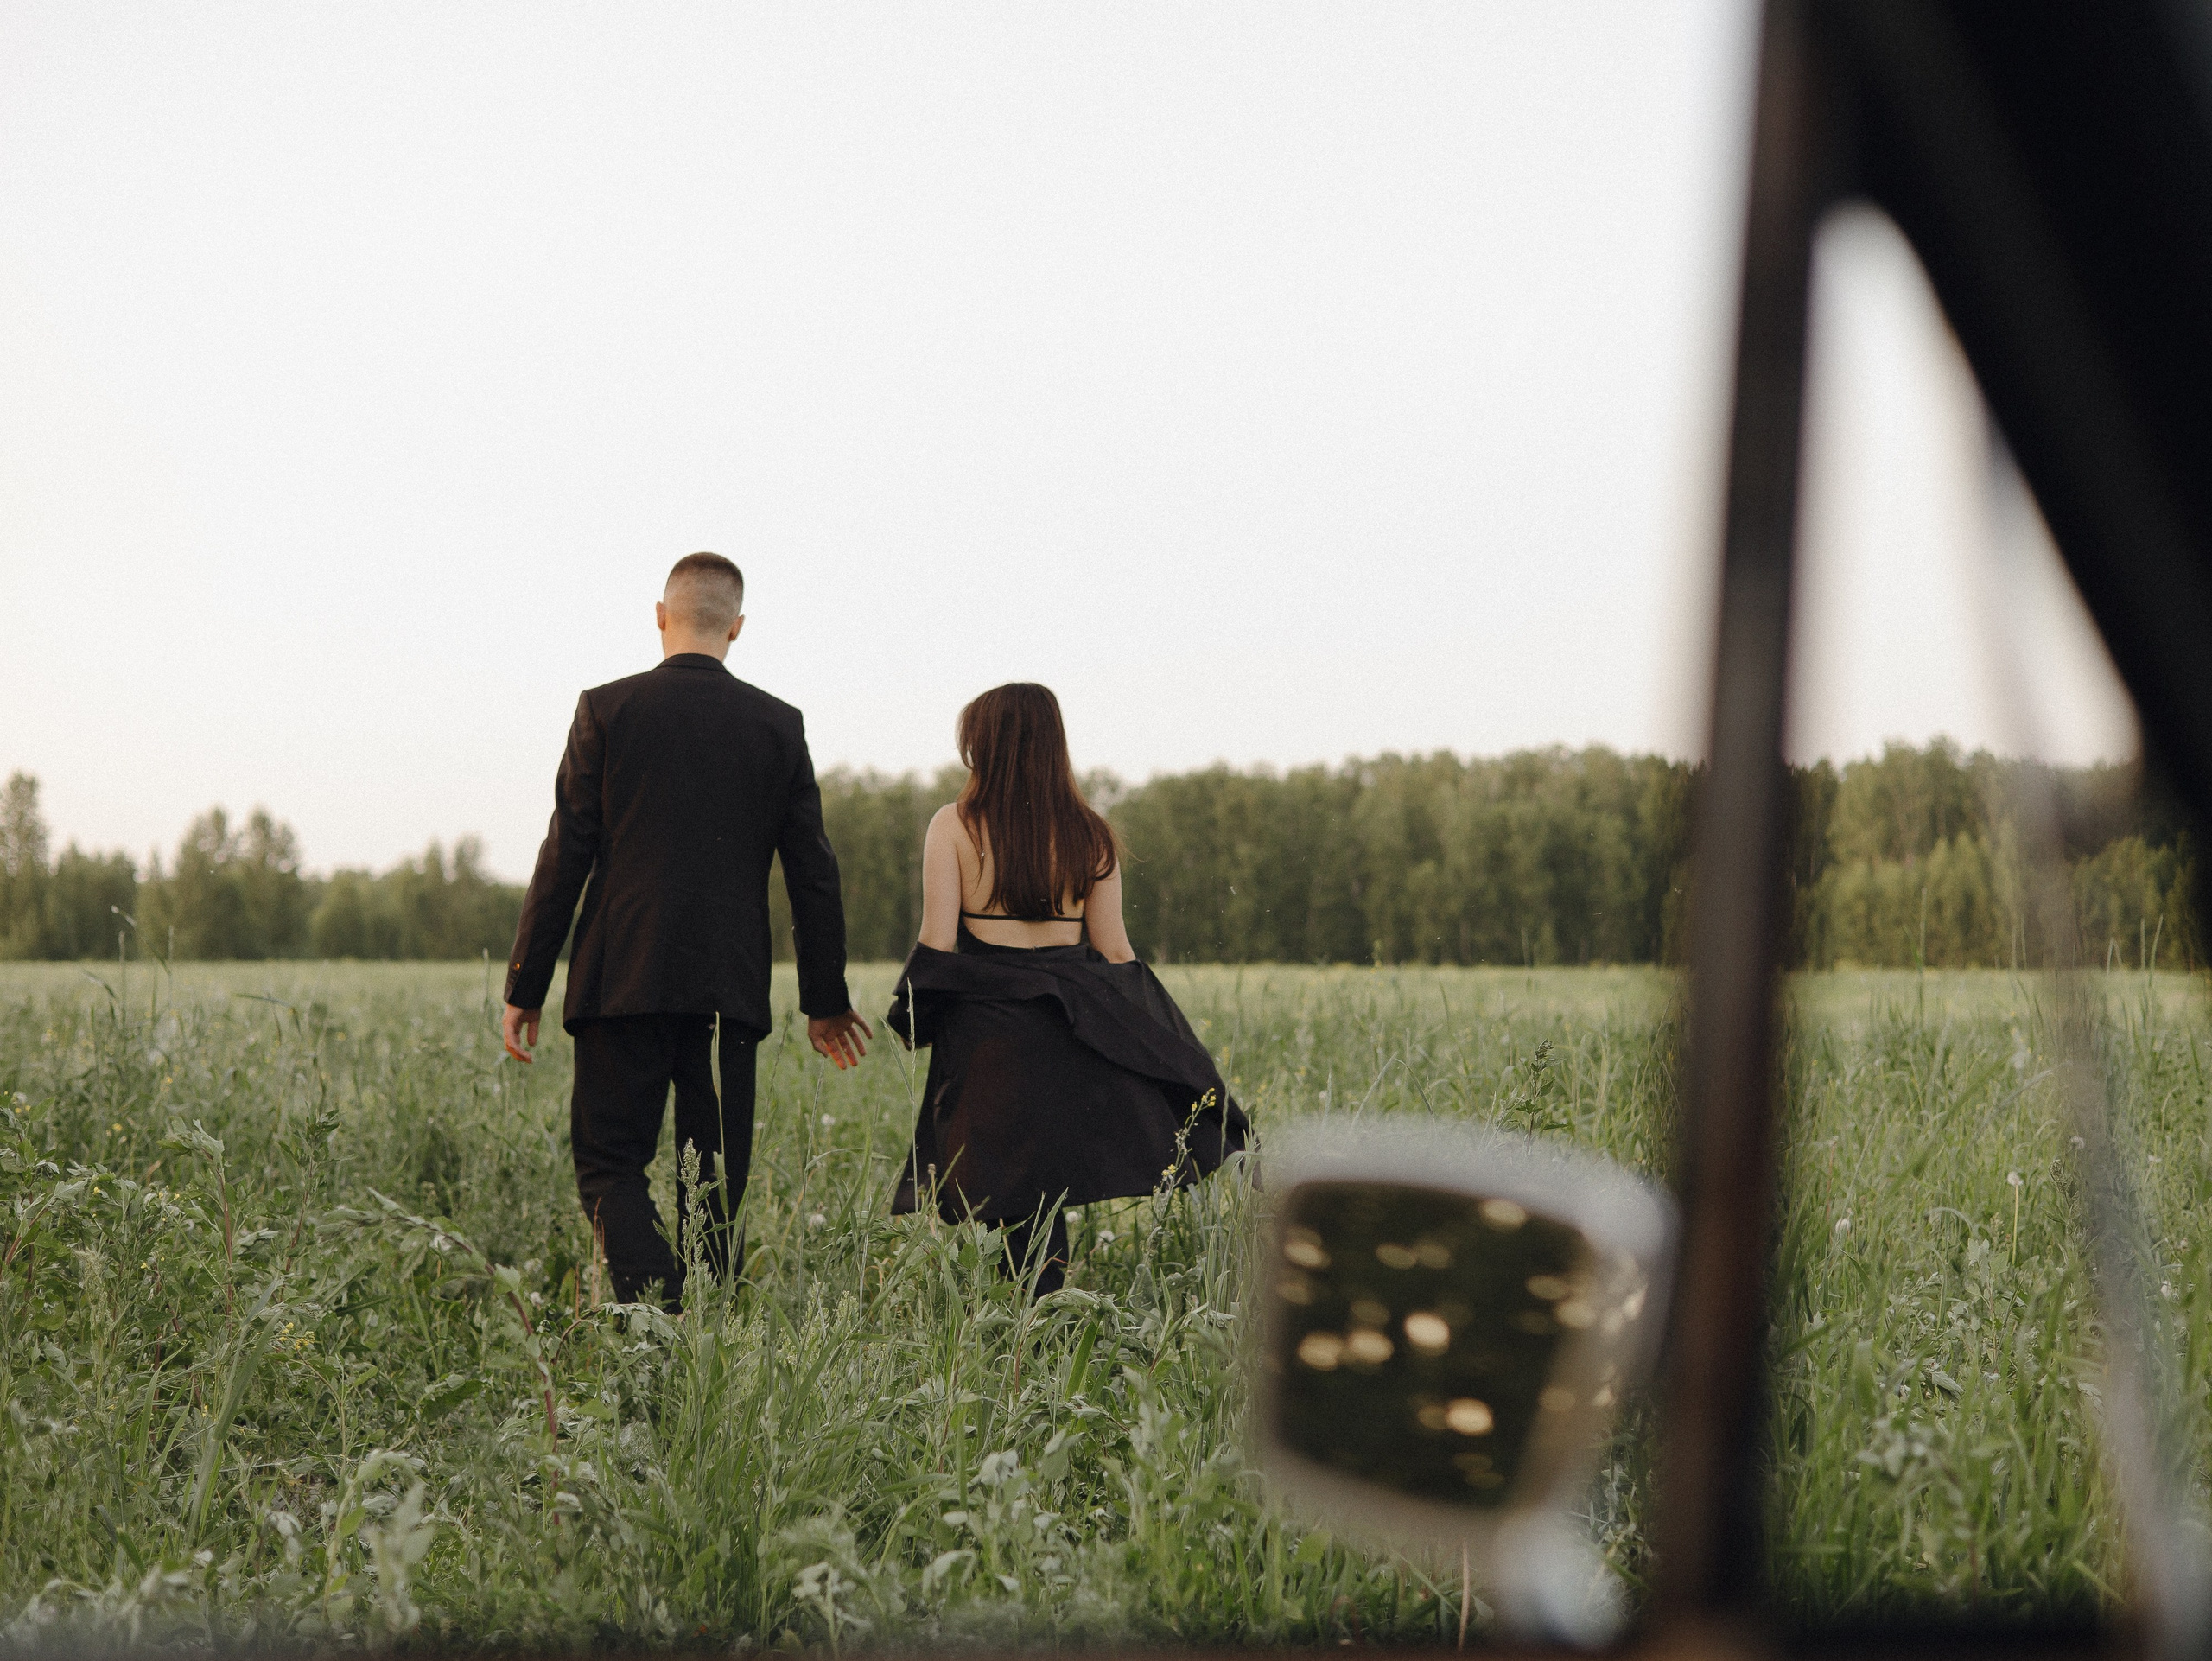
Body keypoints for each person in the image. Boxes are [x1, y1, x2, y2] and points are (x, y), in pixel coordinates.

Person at [501, 552, 872, 1309]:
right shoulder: (778, 724)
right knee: (714, 1183)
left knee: (610, 1166)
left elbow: (564, 854)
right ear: (737, 627)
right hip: (725, 988)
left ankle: (659, 1313)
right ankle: (704, 1333)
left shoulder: (606, 710)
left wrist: (524, 985)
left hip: (620, 978)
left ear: (660, 616)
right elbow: (814, 872)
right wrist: (825, 1001)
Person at [887, 682, 1249, 1295]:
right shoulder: (1091, 833)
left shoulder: (954, 825)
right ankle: (1045, 1313)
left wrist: (911, 1019)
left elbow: (937, 944)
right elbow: (1116, 953)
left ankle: (1017, 1323)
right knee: (1045, 1187)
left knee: (998, 1190)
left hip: (988, 1033)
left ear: (985, 745)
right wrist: (1166, 1048)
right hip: (1065, 1030)